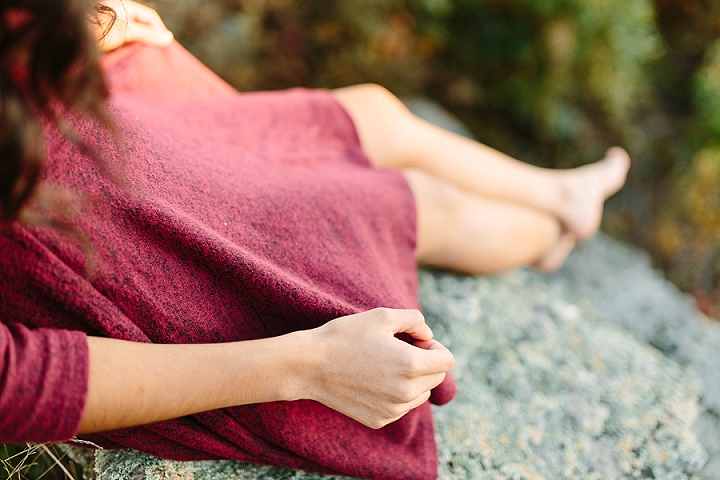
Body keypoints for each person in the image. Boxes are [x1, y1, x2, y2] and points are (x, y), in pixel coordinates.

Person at [0, 1, 630, 479]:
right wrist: (307, 364)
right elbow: (15, 379)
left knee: (370, 112)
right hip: (96, 236)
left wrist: (93, 28)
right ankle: (551, 230)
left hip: (97, 139)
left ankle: (558, 195)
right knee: (414, 203)